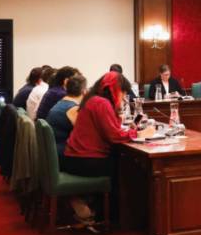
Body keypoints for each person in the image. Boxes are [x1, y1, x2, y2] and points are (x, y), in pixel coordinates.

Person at [63, 72, 152, 226]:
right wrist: (139, 133)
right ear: (114, 89)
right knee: (128, 166)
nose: (123, 97)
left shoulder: (93, 99)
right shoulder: (101, 103)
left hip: (75, 158)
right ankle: (119, 216)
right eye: (122, 92)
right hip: (84, 160)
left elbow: (109, 129)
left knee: (123, 160)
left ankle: (104, 212)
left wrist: (126, 127)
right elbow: (114, 136)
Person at [46, 74, 86, 158]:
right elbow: (84, 134)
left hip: (53, 151)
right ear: (84, 91)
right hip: (63, 153)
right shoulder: (73, 109)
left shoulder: (60, 103)